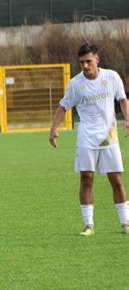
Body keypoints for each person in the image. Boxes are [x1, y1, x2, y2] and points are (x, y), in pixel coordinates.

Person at [49, 43, 129, 236]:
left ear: (97, 59)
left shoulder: (111, 77)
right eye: (81, 62)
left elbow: (122, 99)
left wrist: (127, 119)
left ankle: (125, 222)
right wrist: (53, 129)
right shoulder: (76, 84)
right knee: (86, 179)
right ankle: (89, 225)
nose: (85, 66)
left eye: (88, 61)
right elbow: (63, 106)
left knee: (116, 180)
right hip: (86, 137)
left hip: (109, 137)